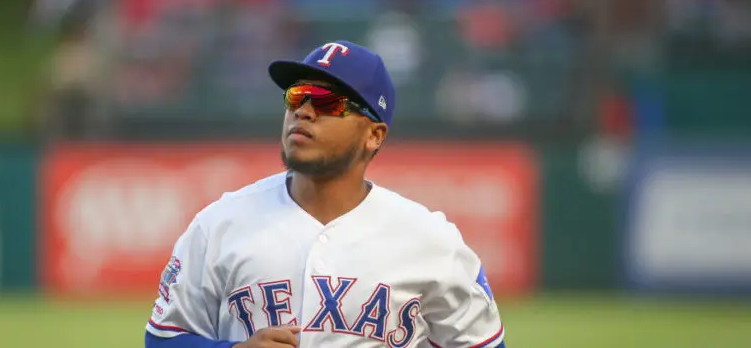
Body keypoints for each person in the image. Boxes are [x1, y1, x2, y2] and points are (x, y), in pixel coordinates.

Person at [145, 41, 506, 348]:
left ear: (374, 135)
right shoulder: (219, 224)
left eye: (327, 102)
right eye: (297, 96)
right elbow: (163, 337)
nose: (303, 111)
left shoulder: (432, 241)